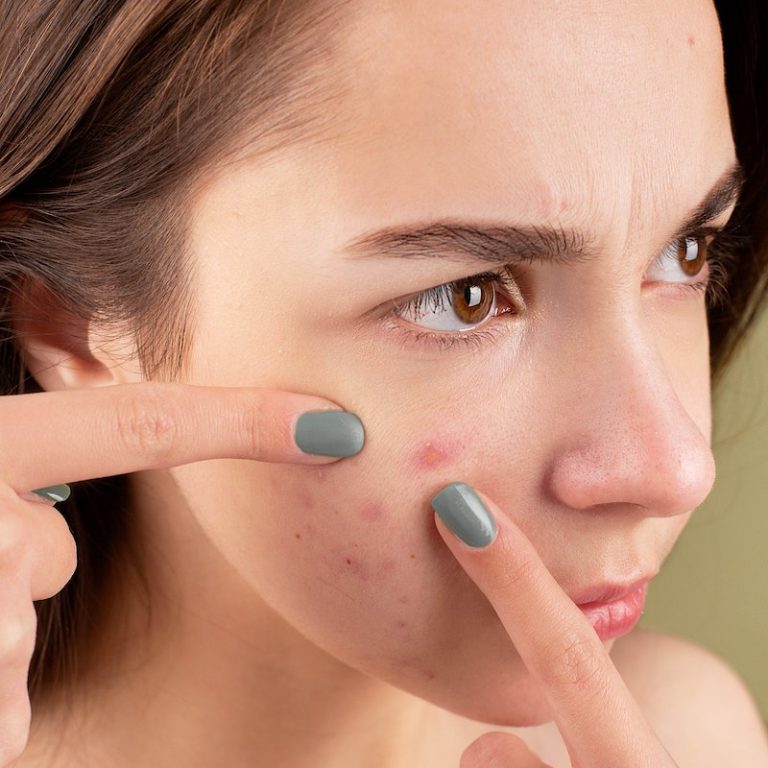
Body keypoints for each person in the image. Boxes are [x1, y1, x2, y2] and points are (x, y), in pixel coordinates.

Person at [1, 1, 767, 766]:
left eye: (688, 253)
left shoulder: (694, 736)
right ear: (75, 327)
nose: (675, 468)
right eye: (465, 296)